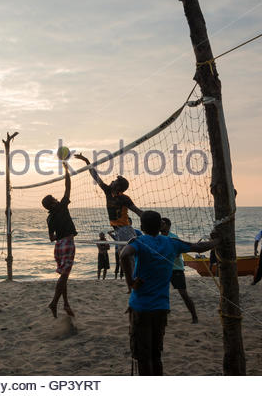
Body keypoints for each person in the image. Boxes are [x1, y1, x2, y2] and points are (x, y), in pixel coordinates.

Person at [120, 211, 219, 375]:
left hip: (141, 308)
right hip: (161, 308)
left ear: (142, 227)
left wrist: (130, 282)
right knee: (156, 354)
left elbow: (123, 254)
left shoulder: (139, 241)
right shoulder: (172, 243)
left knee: (143, 357)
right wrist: (218, 240)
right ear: (160, 226)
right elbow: (198, 247)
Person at [74, 153, 143, 244]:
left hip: (125, 230)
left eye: (115, 181)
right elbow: (95, 176)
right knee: (123, 256)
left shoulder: (124, 198)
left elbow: (137, 211)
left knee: (127, 256)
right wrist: (86, 161)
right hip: (118, 231)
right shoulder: (108, 192)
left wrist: (151, 221)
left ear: (118, 187)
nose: (112, 181)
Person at [42, 163, 77, 318]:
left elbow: (51, 238)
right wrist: (66, 171)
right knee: (64, 276)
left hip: (58, 246)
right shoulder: (61, 206)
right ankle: (54, 303)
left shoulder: (49, 217)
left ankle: (66, 303)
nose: (57, 199)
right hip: (67, 243)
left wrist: (60, 234)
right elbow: (68, 186)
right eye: (54, 199)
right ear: (53, 203)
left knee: (64, 276)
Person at [161, 217, 198, 323]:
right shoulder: (157, 237)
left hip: (176, 269)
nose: (160, 225)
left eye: (162, 224)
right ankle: (164, 314)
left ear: (168, 226)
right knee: (161, 292)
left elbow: (177, 254)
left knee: (183, 294)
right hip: (163, 270)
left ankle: (194, 316)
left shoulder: (173, 238)